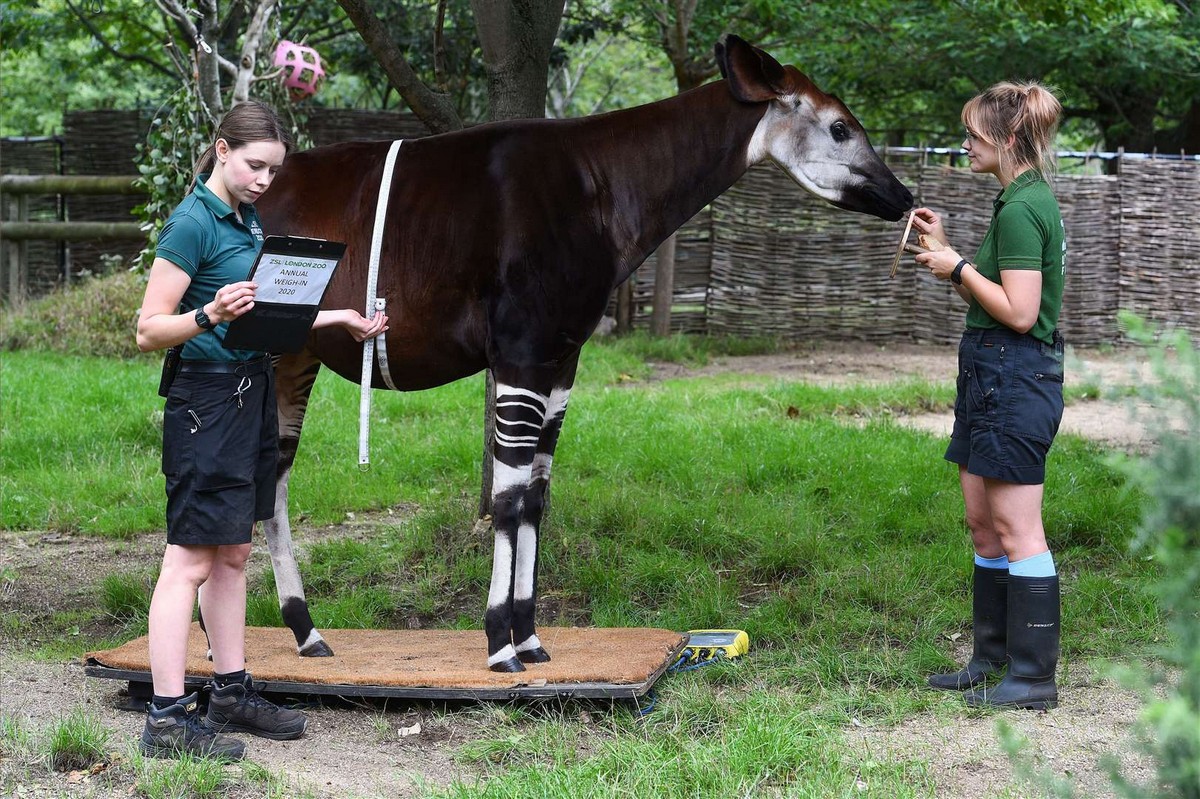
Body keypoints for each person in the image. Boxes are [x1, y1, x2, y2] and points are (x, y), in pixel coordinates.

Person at [135, 100, 388, 759]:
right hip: (205, 402)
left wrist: (339, 320)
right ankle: (165, 719)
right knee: (188, 559)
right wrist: (210, 313)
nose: (263, 182)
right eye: (254, 166)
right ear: (221, 150)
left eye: (273, 171)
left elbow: (263, 315)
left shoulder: (248, 221)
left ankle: (230, 689)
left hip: (251, 393)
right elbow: (148, 328)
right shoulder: (192, 223)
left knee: (236, 552)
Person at [911, 81, 1066, 710]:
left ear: (1006, 140)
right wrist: (947, 253)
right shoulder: (1013, 202)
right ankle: (991, 660)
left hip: (1017, 374)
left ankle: (1032, 678)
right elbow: (989, 302)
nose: (965, 144)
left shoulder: (1026, 208)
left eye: (974, 135)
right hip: (988, 369)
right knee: (983, 524)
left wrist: (958, 268)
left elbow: (1023, 314)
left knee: (1016, 526)